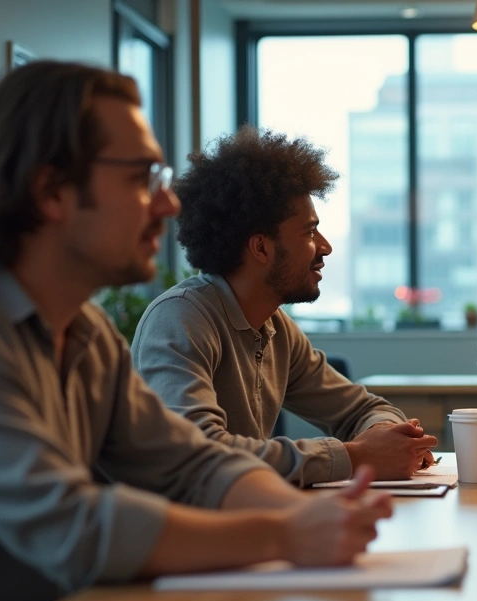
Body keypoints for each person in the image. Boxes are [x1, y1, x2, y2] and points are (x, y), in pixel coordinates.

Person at [0, 62, 391, 601]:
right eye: (142, 178)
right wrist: (284, 532)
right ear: (52, 191)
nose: (168, 204)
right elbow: (75, 525)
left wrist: (311, 513)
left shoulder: (87, 333)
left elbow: (193, 464)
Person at [131, 126, 436, 486]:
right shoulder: (179, 319)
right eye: (309, 232)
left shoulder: (275, 326)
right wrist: (356, 456)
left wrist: (386, 434)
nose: (325, 247)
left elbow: (361, 409)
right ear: (261, 248)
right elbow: (200, 454)